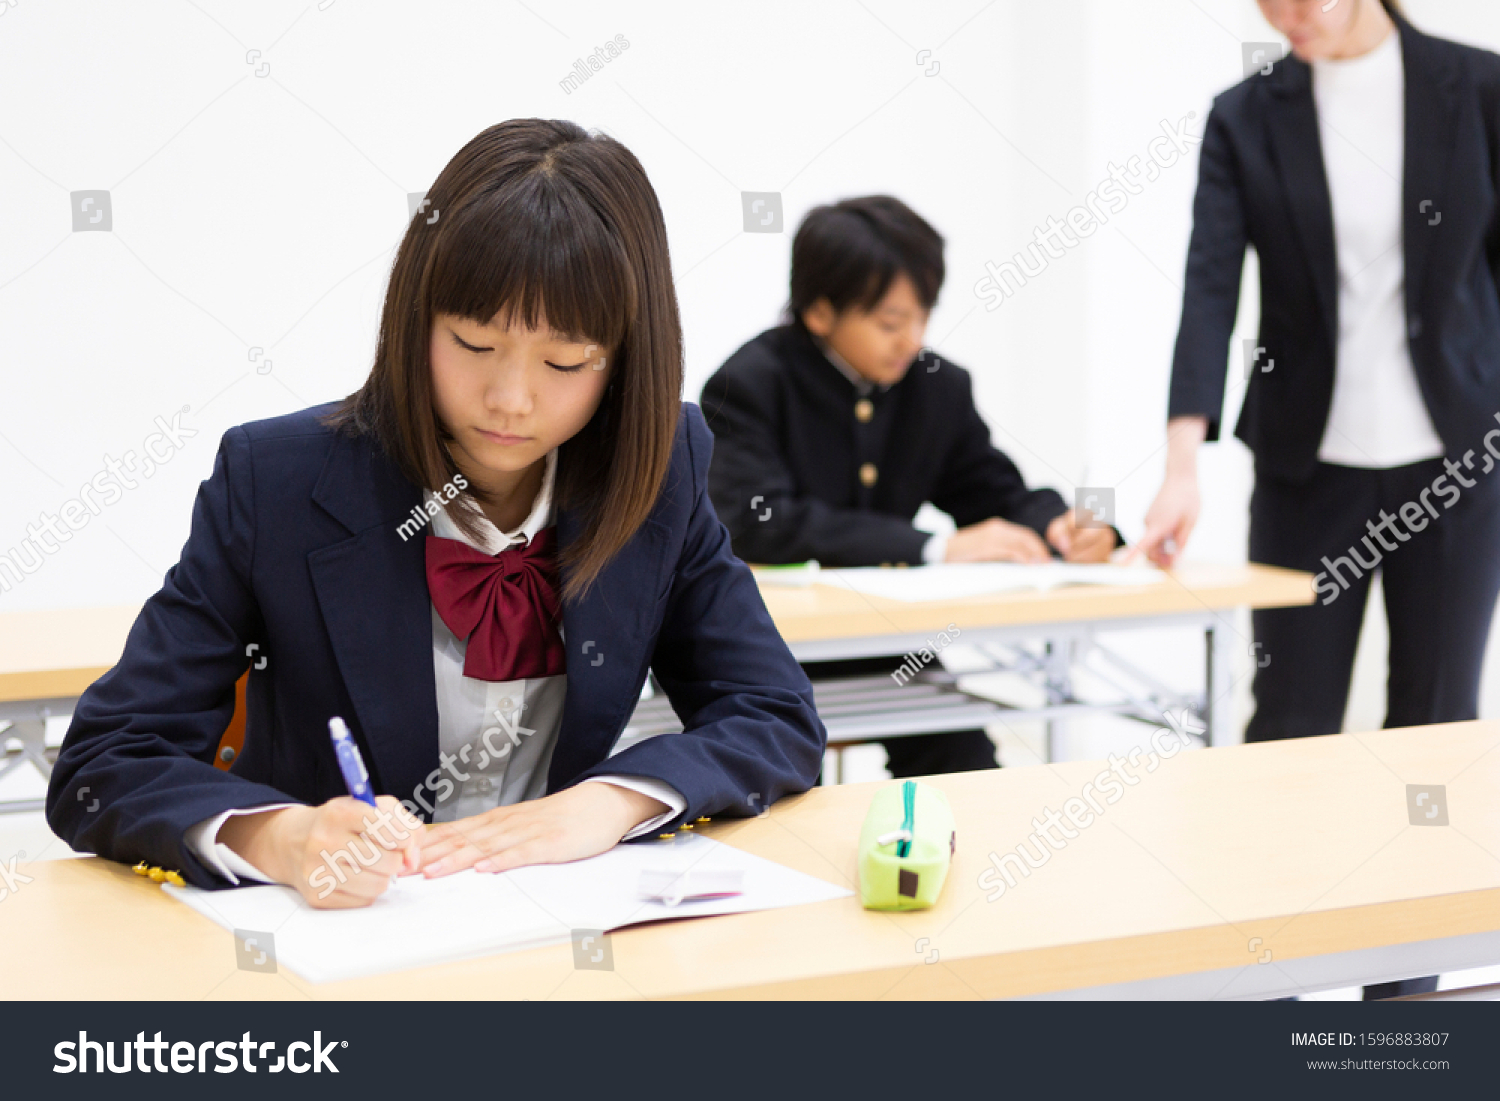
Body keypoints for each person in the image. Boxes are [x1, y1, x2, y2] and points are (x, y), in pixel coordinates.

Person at [45, 118, 825, 909]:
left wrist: (610, 800)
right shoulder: (276, 481)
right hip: (332, 937)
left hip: (558, 922)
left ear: (626, 359)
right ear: (414, 318)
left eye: (564, 361)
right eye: (474, 344)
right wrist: (281, 837)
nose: (510, 399)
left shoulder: (658, 469)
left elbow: (774, 713)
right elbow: (105, 759)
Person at [1133, 0, 1500, 998]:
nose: (1287, 15)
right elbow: (1210, 288)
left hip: (1457, 463)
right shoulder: (1246, 115)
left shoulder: (1476, 87)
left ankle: (1403, 1012)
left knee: (1435, 733)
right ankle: (1271, 992)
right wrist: (1182, 461)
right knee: (1288, 733)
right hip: (1307, 470)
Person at [701, 195, 1116, 777]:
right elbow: (757, 523)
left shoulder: (936, 387)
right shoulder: (750, 382)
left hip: (883, 645)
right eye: (891, 323)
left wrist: (1062, 526)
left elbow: (992, 490)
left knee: (965, 767)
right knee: (782, 781)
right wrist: (934, 546)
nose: (913, 341)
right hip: (766, 648)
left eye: (923, 318)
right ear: (819, 312)